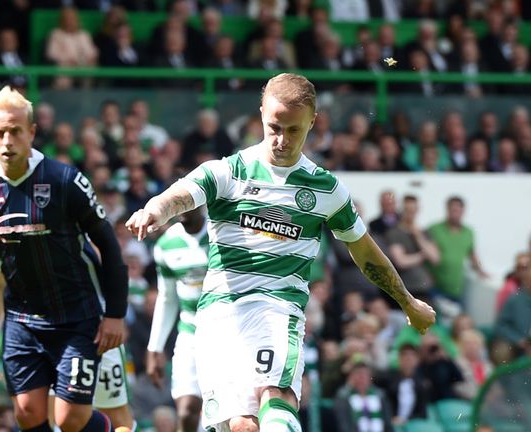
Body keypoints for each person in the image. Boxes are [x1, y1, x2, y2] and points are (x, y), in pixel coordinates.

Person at [125, 73, 436, 432]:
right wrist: (154, 210)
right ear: (261, 113)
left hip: (277, 310)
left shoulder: (325, 189)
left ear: (312, 122)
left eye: (293, 130)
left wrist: (407, 301)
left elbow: (365, 251)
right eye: (274, 127)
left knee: (276, 398)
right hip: (219, 317)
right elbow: (181, 194)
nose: (282, 140)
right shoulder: (228, 172)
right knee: (242, 426)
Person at [0, 86, 130, 432]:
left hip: (77, 318)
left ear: (32, 132)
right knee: (27, 413)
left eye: (15, 131)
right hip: (22, 322)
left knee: (69, 420)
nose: (7, 141)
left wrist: (115, 314)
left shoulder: (65, 180)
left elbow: (109, 246)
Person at [145, 206, 209, 432]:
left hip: (227, 333)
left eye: (186, 202)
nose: (180, 208)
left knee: (229, 413)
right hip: (190, 331)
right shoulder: (165, 245)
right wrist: (155, 347)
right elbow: (167, 298)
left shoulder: (221, 234)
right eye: (176, 203)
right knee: (186, 410)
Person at [427, 196, 488, 303]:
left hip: (456, 289)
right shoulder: (434, 229)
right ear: (447, 210)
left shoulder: (468, 232)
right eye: (453, 210)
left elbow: (472, 255)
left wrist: (480, 270)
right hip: (435, 288)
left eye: (458, 211)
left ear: (463, 211)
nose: (455, 214)